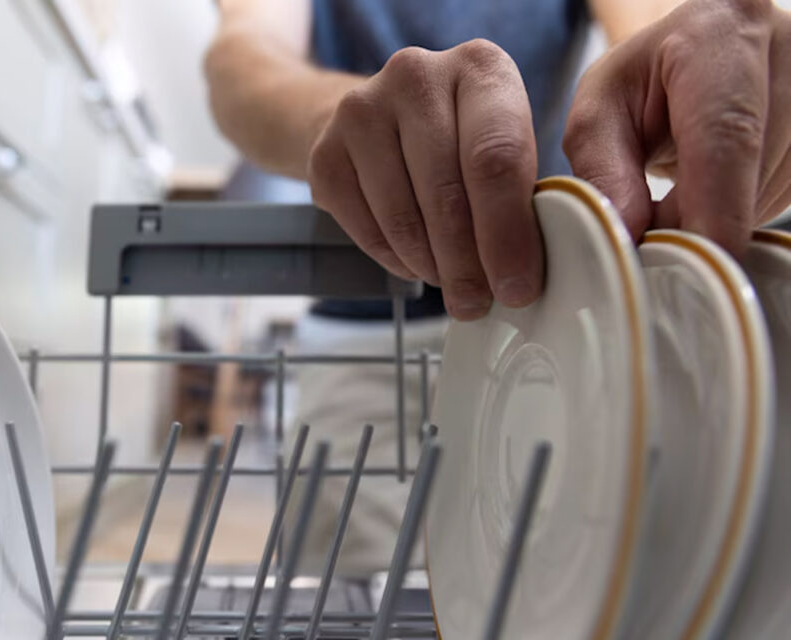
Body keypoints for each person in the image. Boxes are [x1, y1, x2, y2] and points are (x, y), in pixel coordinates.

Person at [204, 0, 791, 575]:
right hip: (363, 342)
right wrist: (337, 117)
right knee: (349, 604)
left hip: (547, 333)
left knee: (566, 588)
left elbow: (650, 25)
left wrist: (699, 65)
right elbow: (243, 59)